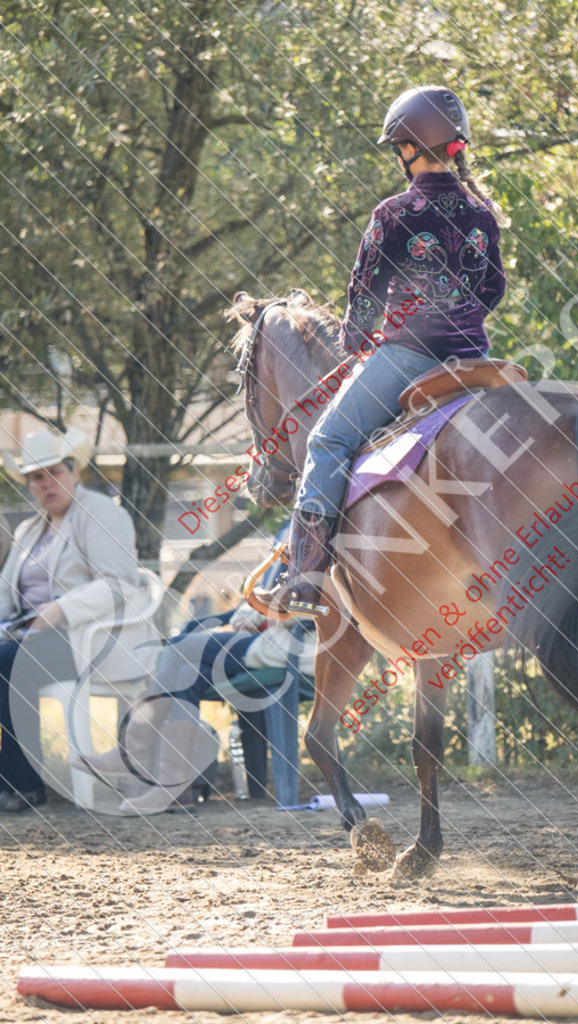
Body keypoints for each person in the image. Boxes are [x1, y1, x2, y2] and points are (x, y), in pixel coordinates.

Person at [258, 85, 507, 616]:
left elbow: (364, 293)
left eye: (398, 148)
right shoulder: (481, 212)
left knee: (327, 439)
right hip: (474, 361)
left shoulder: (394, 212)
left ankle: (304, 578)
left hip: (410, 357)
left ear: (410, 148)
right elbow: (493, 289)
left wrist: (355, 340)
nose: (398, 156)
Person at [78, 529, 316, 815]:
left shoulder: (323, 531)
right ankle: (174, 787)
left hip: (290, 647)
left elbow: (319, 602)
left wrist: (261, 613)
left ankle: (133, 753)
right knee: (185, 673)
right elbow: (256, 592)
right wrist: (247, 615)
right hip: (259, 641)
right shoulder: (287, 530)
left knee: (179, 647)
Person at [0, 427, 154, 812]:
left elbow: (120, 584)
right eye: (36, 477)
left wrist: (61, 609)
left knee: (6, 663)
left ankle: (22, 785)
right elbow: (6, 595)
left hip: (84, 640)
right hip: (28, 636)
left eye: (54, 472)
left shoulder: (101, 514)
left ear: (74, 472)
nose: (46, 483)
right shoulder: (29, 529)